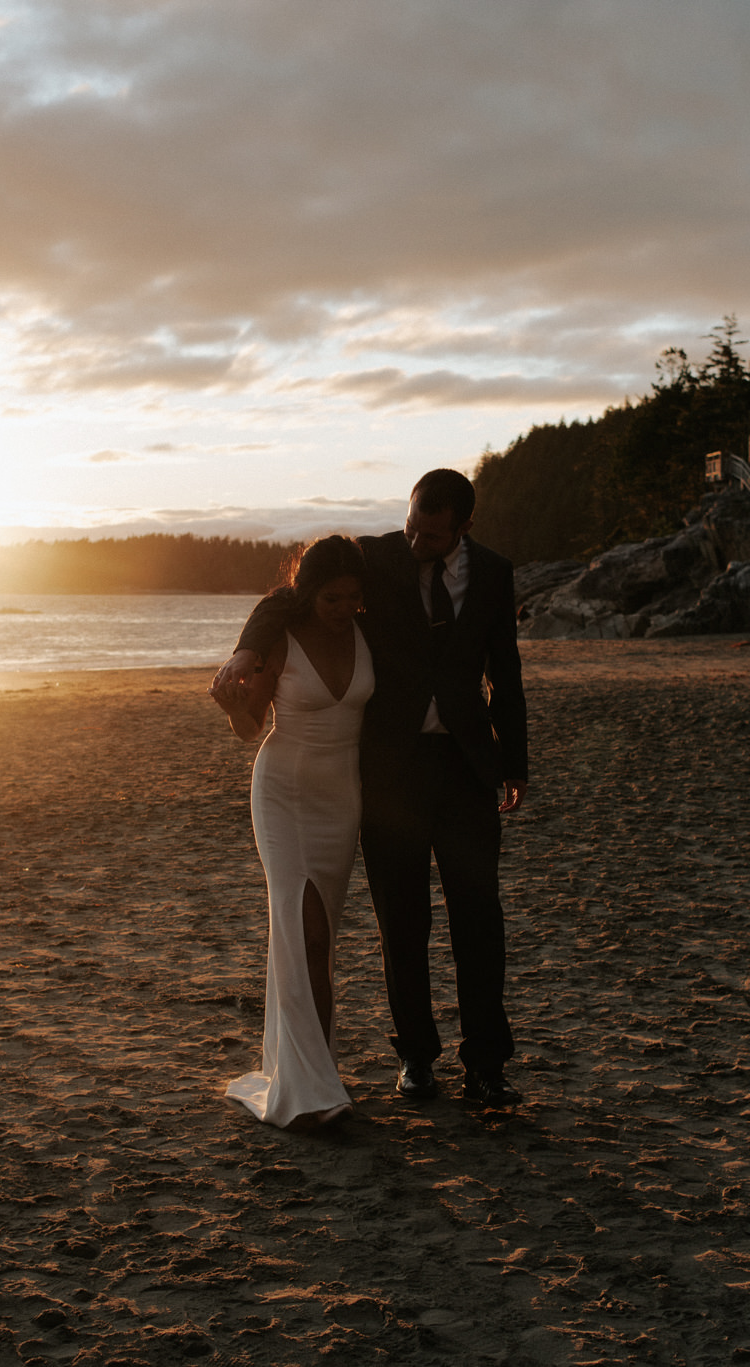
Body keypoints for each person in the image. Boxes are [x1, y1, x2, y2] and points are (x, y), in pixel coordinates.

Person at [211, 469, 528, 1107]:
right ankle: (416, 1058)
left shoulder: (493, 573)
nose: (416, 540)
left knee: (478, 917)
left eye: (432, 535)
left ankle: (487, 1065)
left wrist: (513, 764)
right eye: (411, 524)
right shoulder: (377, 558)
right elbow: (288, 598)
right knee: (401, 922)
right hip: (389, 773)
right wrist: (246, 652)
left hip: (466, 767)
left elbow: (506, 671)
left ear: (463, 529)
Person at [216, 535, 374, 1130]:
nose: (344, 608)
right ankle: (313, 1094)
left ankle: (312, 1073)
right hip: (282, 790)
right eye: (333, 598)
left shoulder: (368, 633)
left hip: (344, 798)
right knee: (301, 927)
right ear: (308, 593)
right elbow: (248, 725)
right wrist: (230, 706)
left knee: (320, 938)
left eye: (354, 597)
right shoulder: (279, 637)